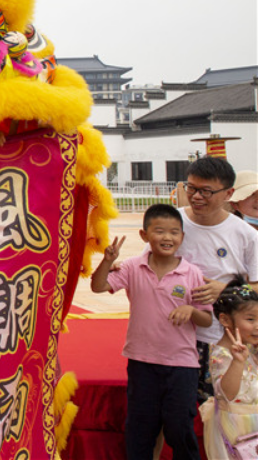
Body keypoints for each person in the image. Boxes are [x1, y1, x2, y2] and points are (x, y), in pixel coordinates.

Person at [92, 203, 213, 460]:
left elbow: (206, 319)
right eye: (159, 231)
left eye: (174, 232)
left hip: (182, 365)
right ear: (144, 235)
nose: (167, 237)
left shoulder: (192, 273)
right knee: (140, 429)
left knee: (180, 427)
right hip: (142, 362)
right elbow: (98, 286)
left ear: (182, 237)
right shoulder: (131, 267)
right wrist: (107, 260)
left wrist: (191, 310)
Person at [178, 157, 258, 400]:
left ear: (228, 193)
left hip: (220, 340)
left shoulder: (245, 234)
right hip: (175, 336)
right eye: (191, 188)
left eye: (206, 191)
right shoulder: (172, 223)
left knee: (221, 405)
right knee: (175, 409)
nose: (196, 196)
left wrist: (225, 289)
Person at [202, 277, 258, 459]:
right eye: (250, 319)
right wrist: (238, 362)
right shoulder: (221, 354)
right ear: (225, 320)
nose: (257, 326)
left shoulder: (251, 348)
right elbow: (227, 394)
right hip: (236, 428)